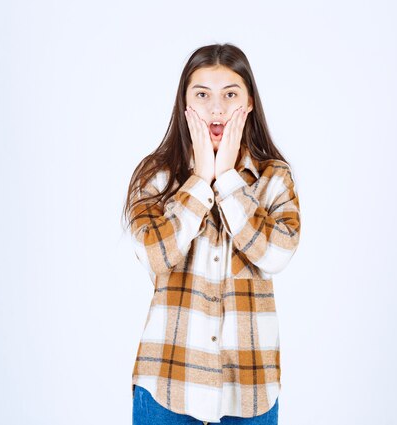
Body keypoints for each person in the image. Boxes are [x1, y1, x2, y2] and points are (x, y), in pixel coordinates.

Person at [122, 43, 301, 424]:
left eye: (230, 95)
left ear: (249, 102)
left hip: (249, 389)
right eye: (202, 95)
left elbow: (278, 254)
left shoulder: (274, 179)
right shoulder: (155, 176)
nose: (216, 109)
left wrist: (229, 182)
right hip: (167, 383)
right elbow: (156, 254)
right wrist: (201, 180)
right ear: (184, 103)